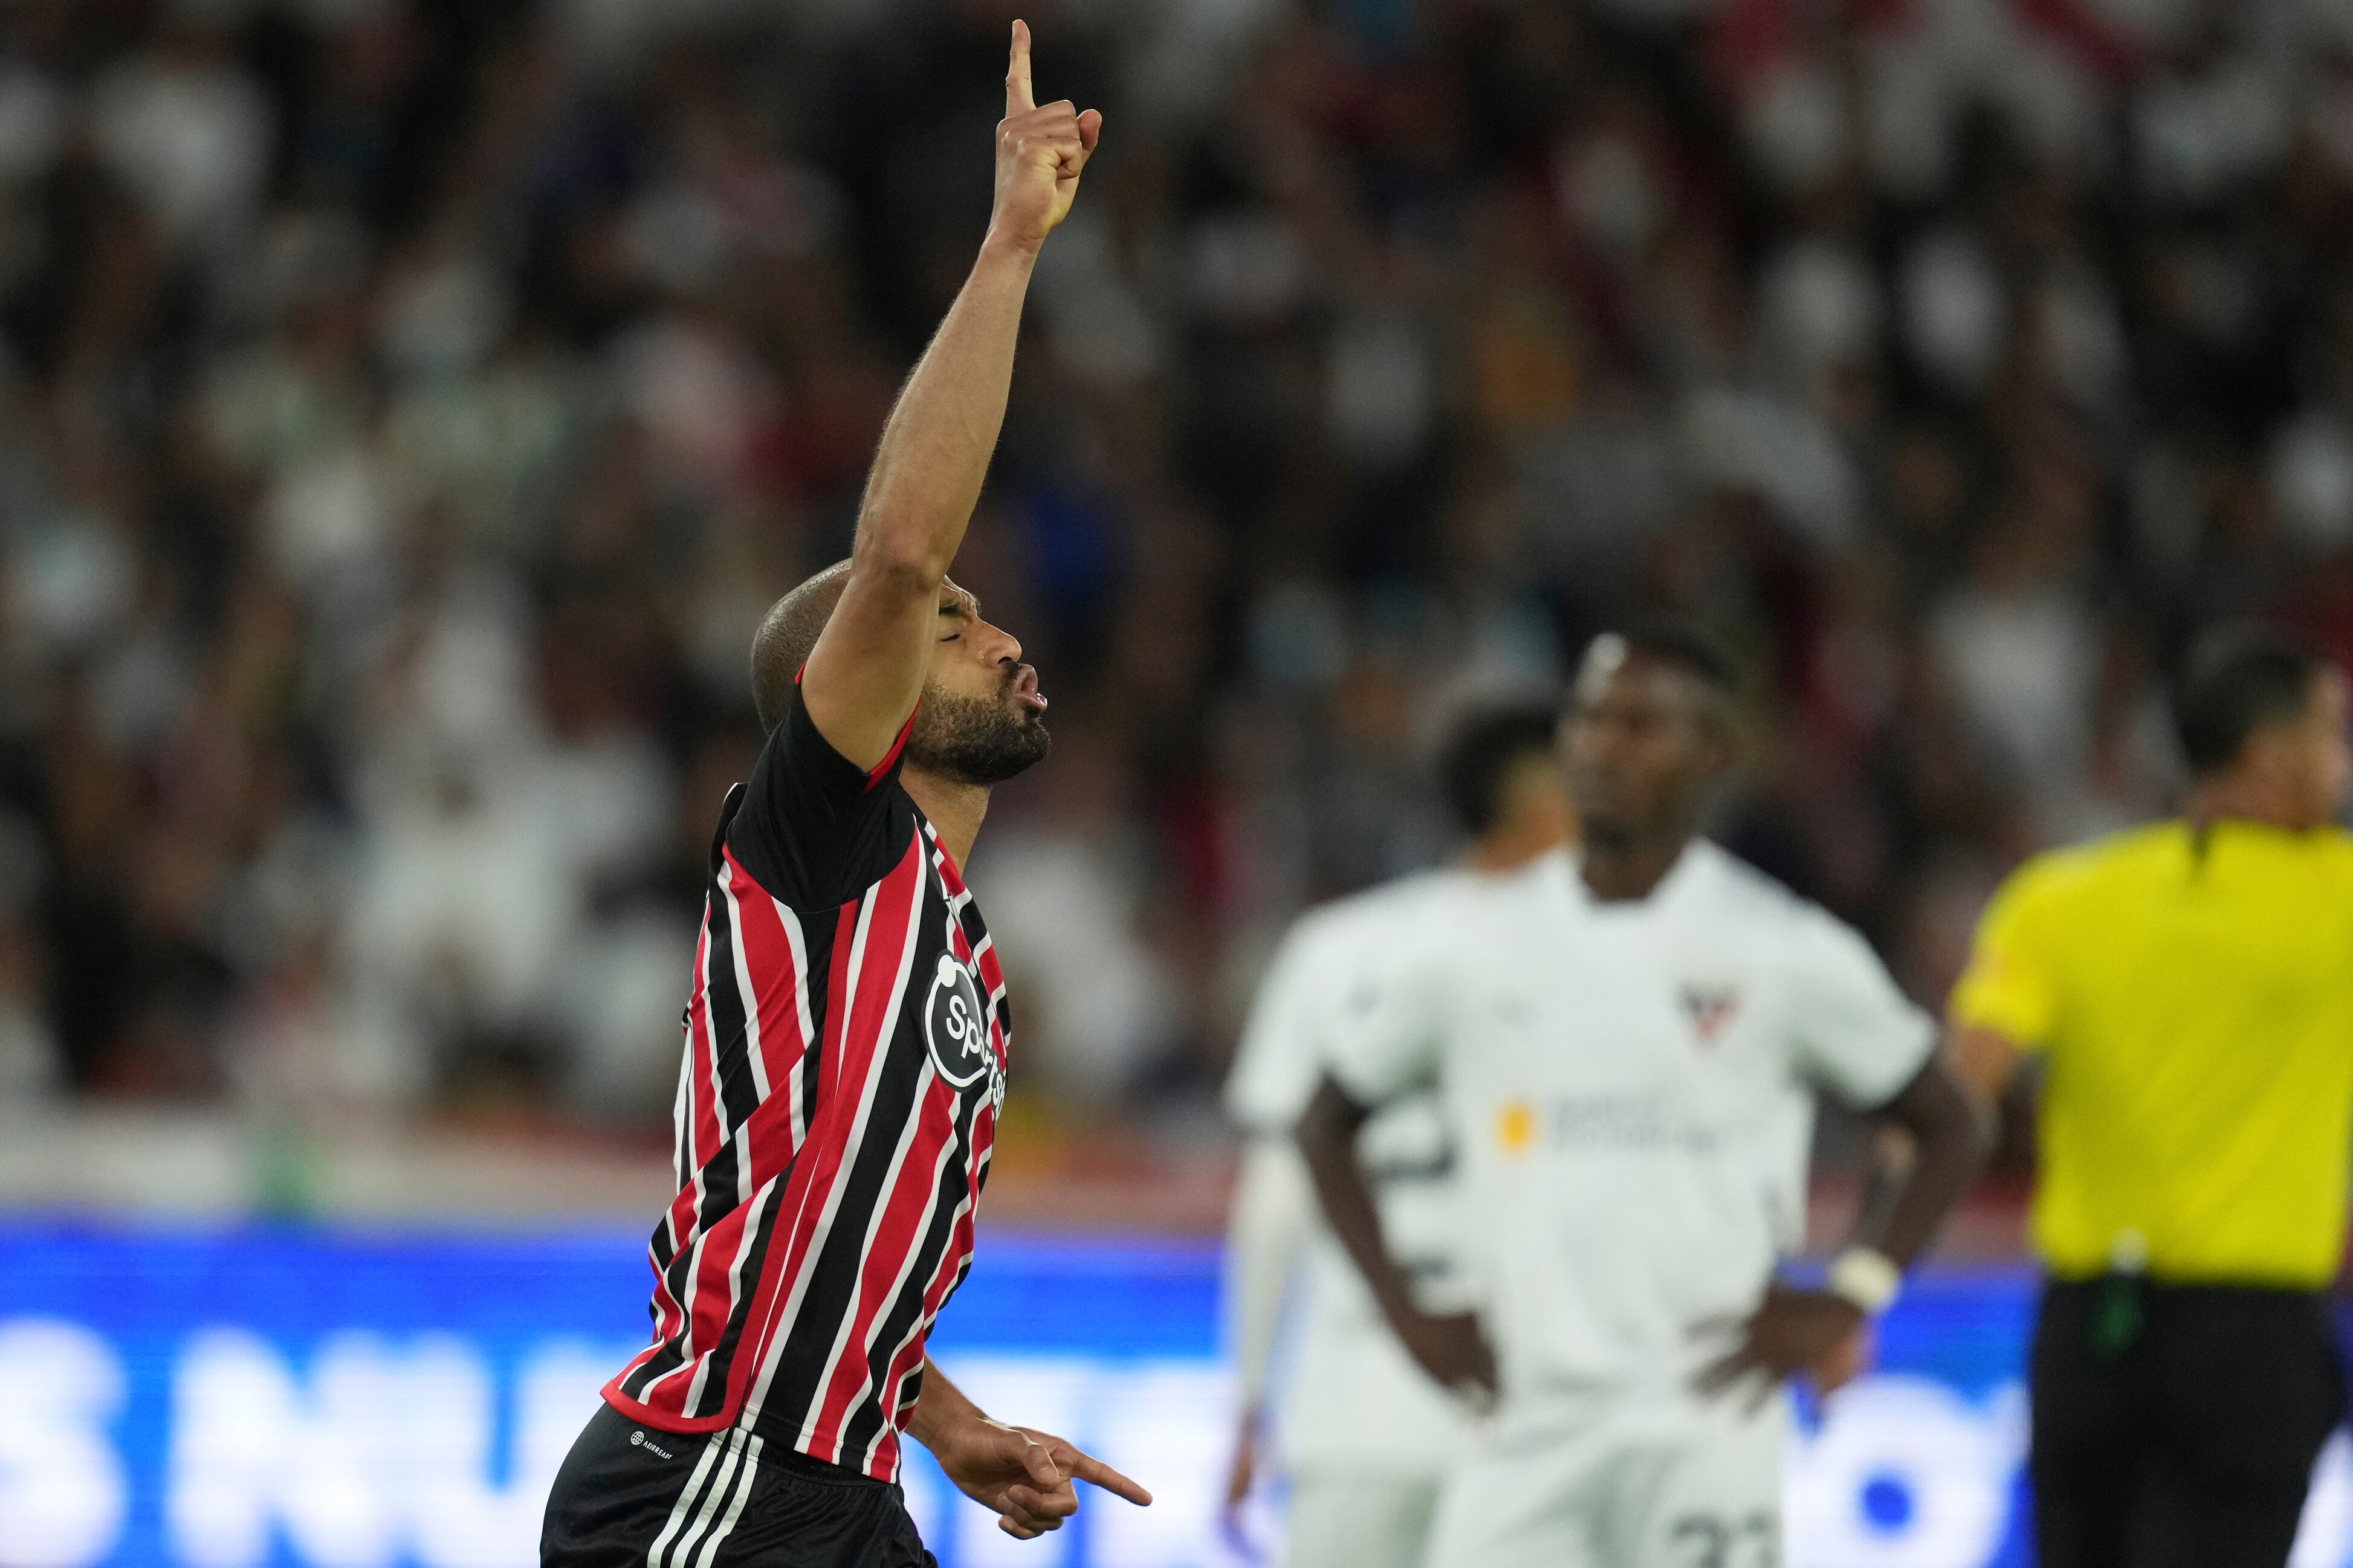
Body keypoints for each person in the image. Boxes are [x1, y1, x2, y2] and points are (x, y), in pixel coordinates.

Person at [542, 24, 1150, 1566]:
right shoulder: (819, 834)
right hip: (712, 1478)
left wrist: (949, 1423)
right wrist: (1012, 247)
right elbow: (896, 550)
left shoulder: (956, 938)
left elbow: (830, 1253)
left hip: (843, 1484)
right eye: (952, 627)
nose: (998, 637)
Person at [1297, 623, 1989, 1568]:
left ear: (1711, 752)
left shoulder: (1779, 947)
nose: (1601, 746)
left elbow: (1949, 1123)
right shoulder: (1473, 941)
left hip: (1706, 1424)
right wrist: (1407, 1316)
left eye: (1640, 725)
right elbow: (1323, 1120)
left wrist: (1850, 1296)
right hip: (1524, 1423)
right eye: (1588, 719)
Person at [1947, 628, 2353, 1568]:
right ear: (2268, 756)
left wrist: (1866, 1273)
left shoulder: (2058, 898)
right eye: (2332, 733)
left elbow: (1959, 1089)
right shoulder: (2338, 901)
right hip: (2251, 1338)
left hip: (2088, 1333)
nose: (2343, 761)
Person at [1219, 703, 1576, 1568]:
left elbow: (1275, 1205)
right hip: (1539, 1417)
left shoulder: (1333, 947)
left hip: (1356, 1407)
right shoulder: (1603, 962)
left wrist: (1249, 1404)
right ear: (1541, 807)